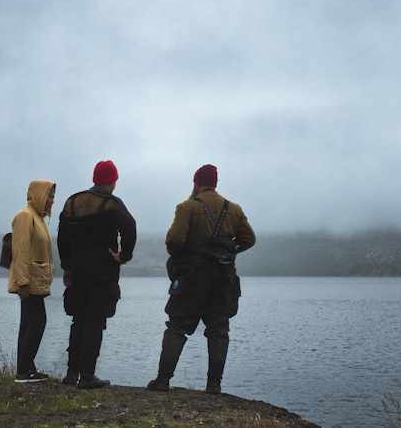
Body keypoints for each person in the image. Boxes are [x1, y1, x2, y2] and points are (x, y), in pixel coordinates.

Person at [147, 164, 256, 394]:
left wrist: (188, 252)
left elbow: (174, 241)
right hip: (224, 277)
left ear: (196, 183)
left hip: (192, 277)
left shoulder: (186, 207)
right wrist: (227, 251)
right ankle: (214, 385)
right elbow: (249, 238)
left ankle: (163, 381)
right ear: (215, 183)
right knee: (219, 329)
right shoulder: (234, 209)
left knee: (177, 326)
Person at [57, 160, 137, 389]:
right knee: (95, 321)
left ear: (94, 179)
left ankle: (71, 373)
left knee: (78, 320)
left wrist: (67, 266)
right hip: (103, 270)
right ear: (112, 182)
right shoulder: (112, 203)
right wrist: (124, 256)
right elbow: (130, 227)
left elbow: (62, 237)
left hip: (78, 269)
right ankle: (88, 376)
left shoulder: (72, 201)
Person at [8, 179, 57, 383]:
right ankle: (24, 371)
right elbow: (20, 250)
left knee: (28, 323)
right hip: (29, 282)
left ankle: (25, 368)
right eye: (49, 196)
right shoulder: (25, 216)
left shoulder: (39, 219)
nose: (52, 201)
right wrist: (23, 282)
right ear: (39, 195)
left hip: (35, 280)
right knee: (37, 322)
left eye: (53, 196)